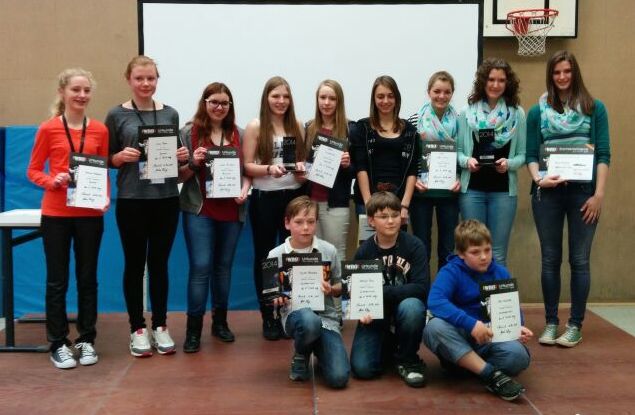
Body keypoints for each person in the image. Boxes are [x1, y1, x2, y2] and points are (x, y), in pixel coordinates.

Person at [106, 55, 189, 357]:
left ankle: (161, 325)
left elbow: (177, 159)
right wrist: (118, 158)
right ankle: (137, 328)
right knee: (134, 264)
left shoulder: (170, 113)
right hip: (132, 200)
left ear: (157, 80)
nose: (145, 83)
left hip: (166, 199)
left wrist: (181, 156)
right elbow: (106, 158)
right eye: (139, 78)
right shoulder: (116, 115)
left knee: (159, 264)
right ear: (128, 79)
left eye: (150, 78)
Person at [526, 50, 610, 348]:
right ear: (550, 75)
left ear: (575, 73)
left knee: (579, 260)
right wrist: (539, 179)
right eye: (557, 72)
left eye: (567, 71)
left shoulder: (594, 108)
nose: (562, 77)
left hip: (583, 194)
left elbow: (604, 154)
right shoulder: (537, 111)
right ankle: (551, 323)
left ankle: (575, 325)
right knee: (550, 259)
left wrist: (599, 195)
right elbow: (530, 154)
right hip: (547, 193)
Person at [27, 68, 109, 369]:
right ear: (62, 92)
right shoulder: (48, 128)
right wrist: (52, 181)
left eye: (86, 90)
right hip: (56, 215)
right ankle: (58, 343)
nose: (82, 95)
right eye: (76, 89)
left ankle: (86, 339)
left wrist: (105, 196)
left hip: (89, 215)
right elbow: (33, 170)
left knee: (88, 280)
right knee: (57, 281)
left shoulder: (99, 130)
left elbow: (102, 170)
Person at [423, 220, 532, 401]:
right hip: (460, 335)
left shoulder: (501, 273)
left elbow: (511, 308)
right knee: (433, 328)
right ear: (461, 253)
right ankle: (489, 374)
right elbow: (435, 301)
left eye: (487, 250)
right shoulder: (450, 271)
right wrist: (471, 324)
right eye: (475, 252)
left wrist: (516, 328)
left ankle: (469, 365)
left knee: (519, 356)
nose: (483, 257)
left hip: (489, 339)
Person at [178, 82, 251, 352]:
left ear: (230, 106)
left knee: (223, 268)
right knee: (200, 268)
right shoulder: (188, 133)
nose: (219, 107)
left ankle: (220, 323)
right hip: (200, 210)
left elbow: (248, 171)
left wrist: (244, 190)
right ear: (205, 103)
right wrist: (194, 163)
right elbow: (177, 176)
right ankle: (193, 330)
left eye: (224, 103)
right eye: (214, 102)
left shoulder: (240, 134)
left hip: (232, 210)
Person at [243, 76, 306, 340]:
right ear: (266, 98)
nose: (281, 101)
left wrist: (302, 170)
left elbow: (301, 164)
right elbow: (247, 165)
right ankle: (269, 314)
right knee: (267, 259)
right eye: (275, 96)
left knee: (294, 255)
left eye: (285, 96)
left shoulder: (298, 125)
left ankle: (290, 313)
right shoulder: (256, 126)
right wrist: (269, 168)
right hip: (265, 198)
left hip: (294, 197)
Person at [267, 196, 349, 388]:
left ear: (316, 223)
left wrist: (332, 289)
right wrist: (276, 298)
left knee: (339, 378)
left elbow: (342, 285)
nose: (305, 227)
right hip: (295, 316)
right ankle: (302, 353)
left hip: (326, 319)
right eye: (299, 222)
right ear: (287, 223)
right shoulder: (275, 254)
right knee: (309, 320)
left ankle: (318, 346)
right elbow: (270, 295)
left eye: (311, 222)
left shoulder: (328, 250)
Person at [350, 191, 429, 388]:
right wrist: (361, 311)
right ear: (371, 221)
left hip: (406, 308)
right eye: (383, 216)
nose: (391, 221)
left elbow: (421, 288)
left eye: (395, 215)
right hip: (376, 314)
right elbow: (357, 292)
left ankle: (408, 359)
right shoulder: (364, 251)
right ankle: (389, 345)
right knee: (362, 369)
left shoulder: (415, 246)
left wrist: (382, 292)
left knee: (412, 307)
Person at [457, 58, 526, 267]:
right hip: (472, 192)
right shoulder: (467, 113)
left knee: (497, 254)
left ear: (508, 83)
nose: (496, 85)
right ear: (483, 81)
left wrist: (509, 164)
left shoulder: (517, 114)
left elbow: (522, 155)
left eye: (501, 80)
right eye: (491, 79)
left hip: (503, 193)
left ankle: (495, 291)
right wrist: (467, 161)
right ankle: (474, 291)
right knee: (473, 251)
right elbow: (458, 153)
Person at [407, 71, 461, 271]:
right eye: (437, 91)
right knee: (421, 246)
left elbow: (464, 153)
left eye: (447, 92)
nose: (441, 96)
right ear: (429, 92)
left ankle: (443, 289)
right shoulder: (415, 120)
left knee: (447, 248)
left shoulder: (460, 120)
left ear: (452, 93)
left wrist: (460, 178)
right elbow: (409, 157)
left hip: (449, 192)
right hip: (421, 192)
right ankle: (422, 289)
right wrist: (414, 181)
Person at [350, 76, 420, 226]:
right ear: (374, 99)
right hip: (367, 201)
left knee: (397, 242)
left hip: (398, 203)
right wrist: (369, 203)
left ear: (397, 98)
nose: (385, 101)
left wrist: (404, 205)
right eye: (380, 96)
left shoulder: (410, 130)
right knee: (369, 241)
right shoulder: (362, 128)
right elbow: (361, 167)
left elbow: (412, 170)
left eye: (390, 96)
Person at [304, 79, 353, 262]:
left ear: (339, 101)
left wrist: (347, 165)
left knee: (335, 253)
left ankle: (336, 283)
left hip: (336, 204)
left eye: (332, 98)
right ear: (317, 100)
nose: (326, 103)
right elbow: (303, 162)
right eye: (322, 97)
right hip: (311, 202)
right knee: (313, 254)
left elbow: (357, 170)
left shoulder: (350, 129)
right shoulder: (308, 128)